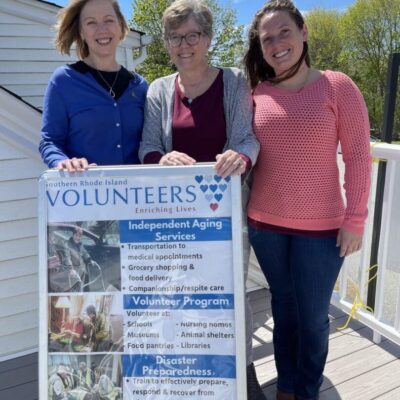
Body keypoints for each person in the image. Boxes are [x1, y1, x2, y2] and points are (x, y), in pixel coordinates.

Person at [243, 1, 371, 399]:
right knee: (284, 309)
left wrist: (355, 218)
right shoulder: (256, 93)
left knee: (314, 318)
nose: (277, 43)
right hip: (266, 226)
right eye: (267, 39)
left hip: (321, 230)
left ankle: (308, 389)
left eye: (284, 32)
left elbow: (357, 155)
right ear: (261, 48)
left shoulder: (337, 85)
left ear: (304, 32)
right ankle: (288, 386)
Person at [138, 1, 264, 398]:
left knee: (228, 298)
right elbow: (147, 148)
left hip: (224, 214)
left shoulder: (235, 82)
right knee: (177, 297)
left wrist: (239, 156)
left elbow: (248, 138)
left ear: (207, 39)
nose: (184, 44)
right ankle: (190, 380)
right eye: (175, 37)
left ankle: (243, 376)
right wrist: (162, 159)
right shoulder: (158, 89)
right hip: (174, 218)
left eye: (192, 35)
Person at [39, 0, 147, 171]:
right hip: (86, 193)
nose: (102, 29)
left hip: (136, 194)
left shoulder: (139, 86)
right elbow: (50, 142)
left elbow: (151, 143)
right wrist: (62, 161)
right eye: (91, 22)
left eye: (109, 20)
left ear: (120, 27)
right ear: (81, 32)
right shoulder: (64, 81)